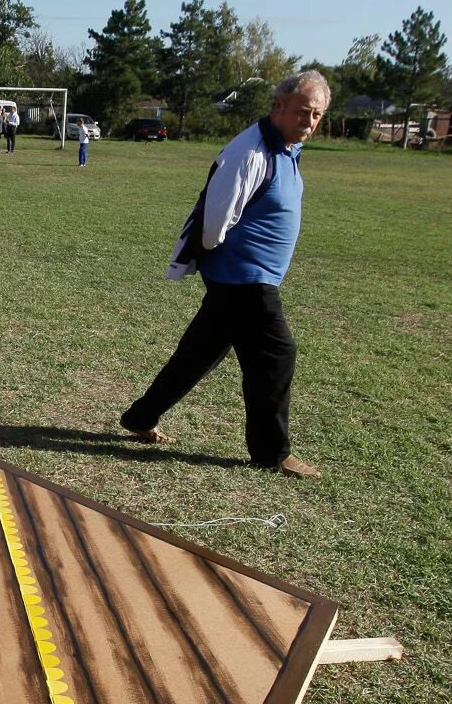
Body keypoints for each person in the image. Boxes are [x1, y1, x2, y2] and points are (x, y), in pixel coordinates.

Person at [119, 69, 332, 478]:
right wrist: (223, 256)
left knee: (198, 353)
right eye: (303, 112)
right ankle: (272, 453)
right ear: (278, 107)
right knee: (276, 356)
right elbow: (215, 218)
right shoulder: (250, 151)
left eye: (317, 115)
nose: (310, 121)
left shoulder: (284, 148)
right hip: (244, 278)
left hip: (246, 276)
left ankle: (140, 416)